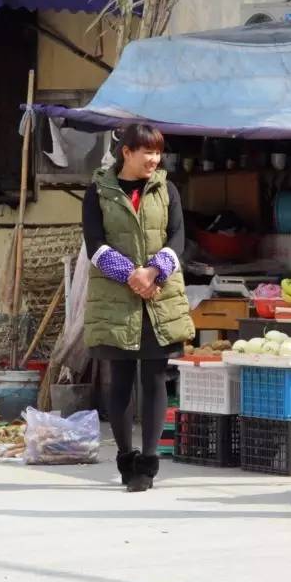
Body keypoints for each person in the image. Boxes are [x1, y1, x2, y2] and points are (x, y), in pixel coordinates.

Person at [82, 124, 194, 492]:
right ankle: (125, 459)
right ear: (126, 152)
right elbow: (94, 243)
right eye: (146, 152)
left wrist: (154, 271)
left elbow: (177, 237)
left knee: (154, 377)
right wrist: (131, 275)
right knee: (121, 379)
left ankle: (148, 462)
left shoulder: (167, 189)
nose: (154, 159)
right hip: (117, 296)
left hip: (158, 296)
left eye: (157, 152)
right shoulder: (98, 191)